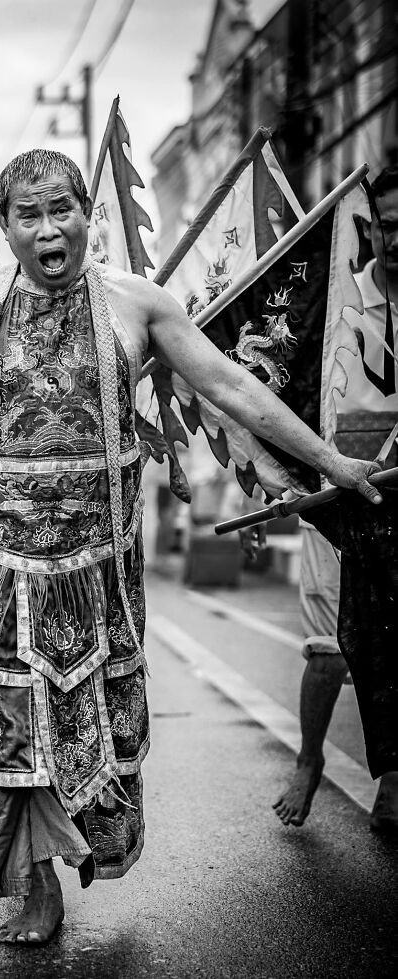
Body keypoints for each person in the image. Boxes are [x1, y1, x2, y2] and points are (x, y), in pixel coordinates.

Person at [0, 149, 381, 946]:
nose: (48, 229)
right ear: (7, 227)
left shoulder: (137, 305)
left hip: (96, 571)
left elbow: (232, 387)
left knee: (87, 727)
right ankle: (36, 888)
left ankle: (75, 853)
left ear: (88, 214)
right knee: (16, 730)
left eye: (61, 210)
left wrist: (333, 461)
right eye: (28, 216)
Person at [272, 165, 398, 831]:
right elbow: (271, 391)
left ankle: (393, 774)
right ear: (370, 225)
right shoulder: (331, 303)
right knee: (328, 645)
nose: (396, 238)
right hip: (334, 497)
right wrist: (273, 476)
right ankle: (309, 756)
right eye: (388, 224)